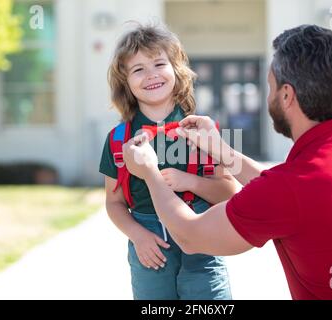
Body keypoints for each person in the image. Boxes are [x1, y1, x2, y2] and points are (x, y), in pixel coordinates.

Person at [122, 25, 332, 300]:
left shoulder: (288, 190)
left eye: (271, 86)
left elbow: (190, 236)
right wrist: (220, 149)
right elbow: (289, 188)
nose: (268, 95)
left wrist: (149, 171)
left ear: (287, 95)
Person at [99, 23, 237, 300]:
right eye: (138, 69)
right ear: (125, 82)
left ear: (177, 69)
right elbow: (114, 203)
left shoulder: (203, 129)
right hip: (150, 248)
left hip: (203, 243)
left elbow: (230, 191)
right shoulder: (118, 139)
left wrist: (190, 181)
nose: (151, 75)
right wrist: (137, 236)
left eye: (159, 64)